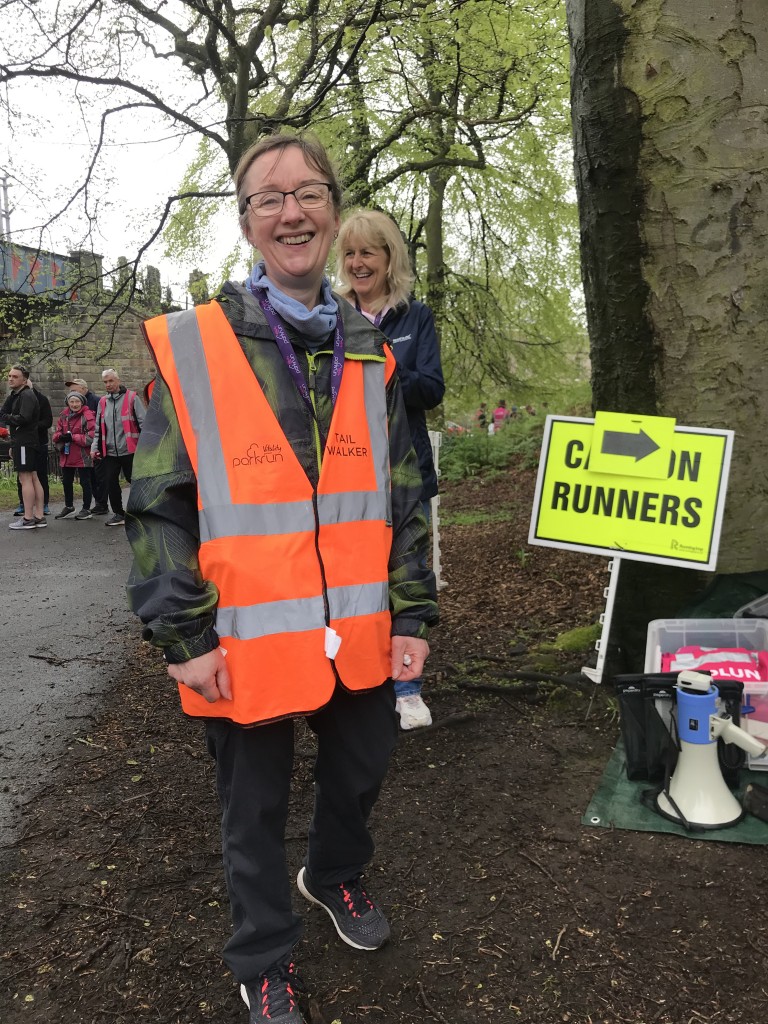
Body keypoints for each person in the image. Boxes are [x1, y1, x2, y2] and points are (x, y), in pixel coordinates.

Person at [125, 133, 438, 1024]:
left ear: (333, 212)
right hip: (245, 638)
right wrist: (182, 639)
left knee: (360, 772)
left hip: (364, 630)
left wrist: (414, 612)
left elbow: (405, 491)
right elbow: (156, 506)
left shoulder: (372, 349)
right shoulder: (195, 345)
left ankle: (334, 875)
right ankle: (262, 957)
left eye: (308, 193)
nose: (291, 211)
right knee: (251, 813)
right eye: (269, 197)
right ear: (248, 221)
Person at [335, 208, 444, 731]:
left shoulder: (414, 317)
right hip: (346, 471)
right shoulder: (330, 315)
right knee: (354, 574)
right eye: (350, 253)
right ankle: (357, 677)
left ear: (388, 258)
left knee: (406, 569)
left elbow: (432, 388)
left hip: (403, 469)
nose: (358, 263)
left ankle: (407, 688)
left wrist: (386, 370)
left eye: (368, 253)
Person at [90, 368, 145, 526]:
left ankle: (139, 511)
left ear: (118, 381)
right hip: (110, 452)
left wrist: (145, 448)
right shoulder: (103, 402)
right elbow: (99, 429)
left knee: (134, 480)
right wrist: (94, 448)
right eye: (105, 382)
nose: (108, 384)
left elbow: (144, 423)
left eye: (111, 381)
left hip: (131, 450)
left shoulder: (132, 398)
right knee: (110, 482)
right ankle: (119, 514)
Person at [1, 364, 45, 529]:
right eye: (10, 376)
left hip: (25, 442)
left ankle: (28, 518)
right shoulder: (18, 395)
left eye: (15, 376)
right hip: (24, 441)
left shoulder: (26, 395)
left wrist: (7, 417)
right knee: (33, 477)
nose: (11, 379)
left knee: (25, 478)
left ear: (24, 380)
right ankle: (39, 516)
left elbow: (23, 418)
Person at [65, 376, 108, 513]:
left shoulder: (96, 401)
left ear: (84, 389)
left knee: (97, 476)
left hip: (95, 443)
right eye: (71, 390)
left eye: (74, 389)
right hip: (81, 446)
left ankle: (101, 504)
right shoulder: (73, 404)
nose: (71, 391)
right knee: (91, 477)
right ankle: (99, 503)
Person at [52, 391, 96, 519]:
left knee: (85, 482)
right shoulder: (63, 416)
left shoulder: (88, 416)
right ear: (68, 403)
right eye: (72, 402)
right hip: (67, 454)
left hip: (82, 455)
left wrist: (73, 437)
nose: (74, 404)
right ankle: (69, 506)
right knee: (66, 481)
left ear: (82, 402)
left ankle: (86, 509)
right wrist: (61, 436)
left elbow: (91, 437)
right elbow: (56, 434)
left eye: (77, 401)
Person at [12, 377, 52, 517]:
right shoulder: (19, 398)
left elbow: (46, 421)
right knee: (27, 476)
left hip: (34, 442)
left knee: (34, 475)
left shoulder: (37, 398)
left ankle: (34, 512)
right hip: (27, 441)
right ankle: (30, 508)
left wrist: (31, 426)